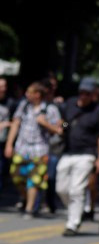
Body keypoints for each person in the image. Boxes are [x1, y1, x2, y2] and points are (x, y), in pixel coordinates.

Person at [55, 77, 99, 236]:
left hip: (87, 154)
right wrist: (63, 128)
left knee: (77, 189)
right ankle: (75, 211)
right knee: (61, 188)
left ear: (93, 95)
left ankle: (73, 223)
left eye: (87, 93)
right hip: (68, 151)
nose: (83, 96)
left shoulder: (97, 111)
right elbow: (64, 122)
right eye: (82, 92)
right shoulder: (70, 104)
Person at [4, 82, 62, 215]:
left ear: (37, 95)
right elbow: (15, 124)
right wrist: (9, 144)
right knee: (16, 176)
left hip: (40, 150)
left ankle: (29, 209)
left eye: (29, 92)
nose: (26, 94)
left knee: (34, 181)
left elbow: (63, 126)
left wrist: (45, 123)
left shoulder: (51, 108)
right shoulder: (24, 106)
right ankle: (26, 198)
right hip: (21, 148)